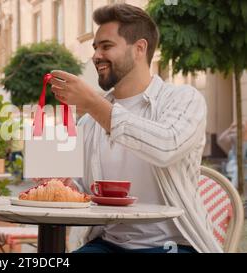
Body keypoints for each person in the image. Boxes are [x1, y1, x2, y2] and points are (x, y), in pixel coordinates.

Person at [44, 4, 221, 252]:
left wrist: (94, 104)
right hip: (108, 244)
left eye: (106, 46)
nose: (96, 56)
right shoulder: (89, 120)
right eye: (95, 48)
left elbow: (166, 146)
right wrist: (62, 187)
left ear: (139, 48)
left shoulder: (184, 99)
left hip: (173, 245)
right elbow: (80, 188)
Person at [217, 121, 247, 189]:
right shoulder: (235, 137)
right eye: (240, 127)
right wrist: (230, 129)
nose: (241, 128)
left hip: (245, 165)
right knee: (238, 169)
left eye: (243, 126)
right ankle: (232, 190)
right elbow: (221, 139)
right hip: (234, 164)